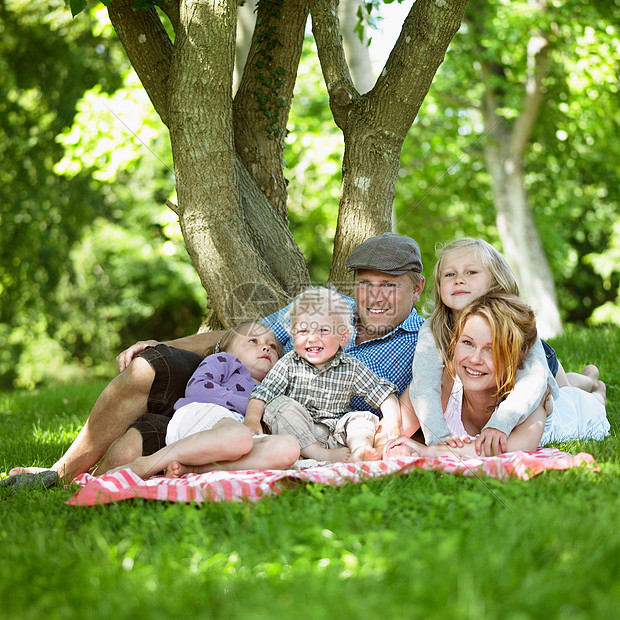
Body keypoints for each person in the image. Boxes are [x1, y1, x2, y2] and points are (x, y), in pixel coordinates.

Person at [7, 232, 426, 483]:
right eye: (366, 283)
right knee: (147, 366)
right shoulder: (324, 306)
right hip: (229, 395)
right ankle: (58, 473)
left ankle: (111, 479)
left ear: (418, 288)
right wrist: (162, 343)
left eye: (389, 285)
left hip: (292, 429)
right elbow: (239, 337)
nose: (374, 296)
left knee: (126, 452)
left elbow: (411, 414)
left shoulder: (422, 342)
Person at [405, 238, 601, 456]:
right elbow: (424, 384)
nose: (459, 280)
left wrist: (500, 423)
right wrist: (438, 439)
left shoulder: (514, 322)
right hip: (486, 372)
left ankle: (592, 383)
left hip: (534, 364)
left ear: (496, 281)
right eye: (450, 274)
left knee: (565, 394)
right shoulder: (434, 328)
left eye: (471, 272)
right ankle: (587, 380)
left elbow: (534, 381)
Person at [385, 293, 609, 460]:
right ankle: (586, 377)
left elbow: (518, 446)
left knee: (587, 399)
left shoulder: (529, 396)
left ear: (519, 357)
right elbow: (399, 427)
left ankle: (595, 385)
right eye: (468, 343)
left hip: (571, 411)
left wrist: (430, 452)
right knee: (571, 383)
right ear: (454, 343)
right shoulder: (442, 384)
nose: (474, 359)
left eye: (491, 349)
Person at [108, 322, 300, 480]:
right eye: (253, 341)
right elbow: (198, 388)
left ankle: (193, 469)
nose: (265, 347)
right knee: (238, 436)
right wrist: (252, 408)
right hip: (205, 416)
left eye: (272, 346)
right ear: (228, 349)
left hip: (239, 437)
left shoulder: (275, 389)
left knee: (288, 448)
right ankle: (149, 463)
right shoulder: (226, 361)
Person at [245, 288, 402, 463]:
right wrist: (252, 419)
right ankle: (319, 455)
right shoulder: (289, 363)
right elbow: (263, 393)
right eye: (303, 331)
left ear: (342, 338)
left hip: (336, 436)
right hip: (297, 434)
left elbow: (383, 393)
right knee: (279, 405)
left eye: (323, 331)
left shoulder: (351, 367)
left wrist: (392, 420)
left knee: (361, 417)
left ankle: (359, 450)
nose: (312, 338)